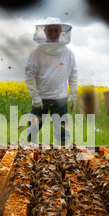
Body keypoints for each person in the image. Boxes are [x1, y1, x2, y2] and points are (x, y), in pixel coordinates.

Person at [25, 17, 78, 146]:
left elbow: (73, 75)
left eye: (56, 30)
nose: (53, 33)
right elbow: (29, 75)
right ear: (44, 31)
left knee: (62, 130)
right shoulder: (36, 53)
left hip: (60, 98)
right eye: (50, 30)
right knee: (33, 128)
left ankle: (64, 155)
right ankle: (28, 153)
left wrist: (74, 94)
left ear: (61, 31)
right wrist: (35, 96)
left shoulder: (68, 53)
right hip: (41, 99)